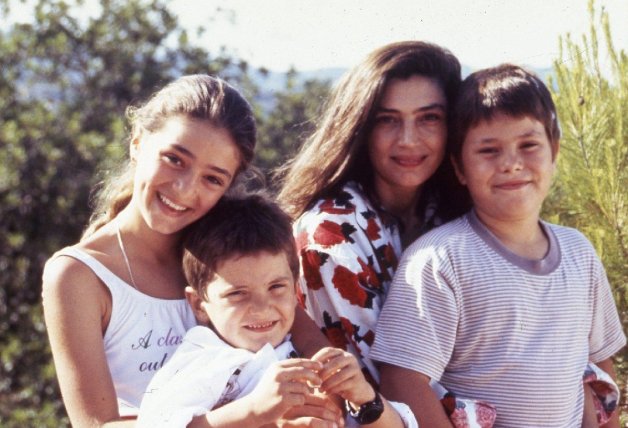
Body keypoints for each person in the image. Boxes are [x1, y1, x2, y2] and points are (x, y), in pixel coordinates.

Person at [41, 74, 331, 427]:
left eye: (212, 179)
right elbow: (98, 426)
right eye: (174, 159)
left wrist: (317, 399)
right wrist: (251, 415)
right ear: (137, 143)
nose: (183, 189)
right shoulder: (79, 275)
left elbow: (315, 352)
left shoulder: (229, 256)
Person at [370, 64, 626, 427]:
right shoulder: (440, 261)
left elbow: (599, 369)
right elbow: (403, 380)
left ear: (554, 152)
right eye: (489, 151)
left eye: (528, 145)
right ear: (459, 167)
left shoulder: (579, 252)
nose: (511, 164)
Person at [276, 41, 497, 425]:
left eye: (429, 118)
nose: (408, 140)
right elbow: (385, 386)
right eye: (387, 119)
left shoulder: (451, 209)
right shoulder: (330, 236)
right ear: (360, 126)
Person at [137, 194, 416, 428]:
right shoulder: (201, 361)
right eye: (237, 293)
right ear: (199, 304)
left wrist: (365, 398)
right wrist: (255, 411)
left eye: (276, 288)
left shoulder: (306, 355)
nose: (261, 307)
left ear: (295, 288)